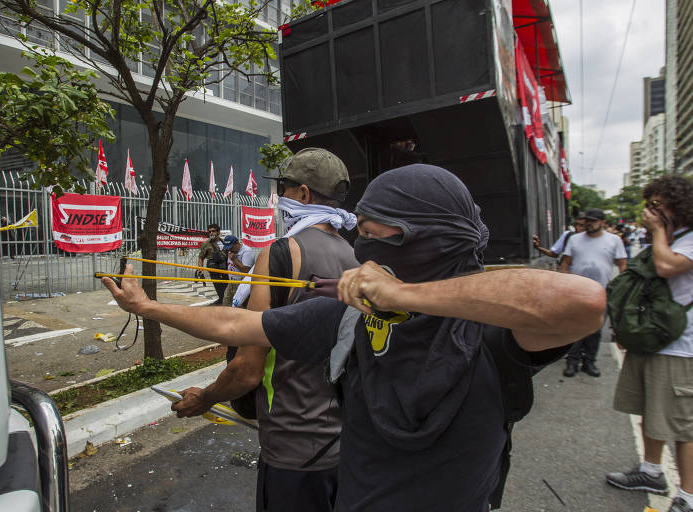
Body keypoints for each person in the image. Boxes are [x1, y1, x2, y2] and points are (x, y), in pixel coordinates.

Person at [103, 164, 605, 511]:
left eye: (378, 232)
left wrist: (406, 293)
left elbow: (582, 303)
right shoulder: (351, 316)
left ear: (430, 233)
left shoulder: (493, 330)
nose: (364, 246)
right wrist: (147, 308)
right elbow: (240, 326)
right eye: (358, 229)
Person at [173, 147, 358, 512]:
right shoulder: (355, 258)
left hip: (293, 451)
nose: (279, 198)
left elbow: (248, 368)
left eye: (285, 188)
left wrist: (206, 397)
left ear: (303, 194)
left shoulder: (280, 253)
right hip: (346, 447)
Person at [606, 175, 693, 512]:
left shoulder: (686, 241)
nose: (650, 212)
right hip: (654, 341)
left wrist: (657, 232)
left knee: (683, 425)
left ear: (679, 206)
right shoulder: (674, 237)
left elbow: (666, 266)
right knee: (649, 413)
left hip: (680, 347)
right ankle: (651, 471)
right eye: (649, 205)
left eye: (658, 206)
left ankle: (687, 496)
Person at [559, 208, 627, 377]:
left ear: (602, 222)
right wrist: (566, 282)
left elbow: (622, 264)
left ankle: (589, 362)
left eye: (593, 221)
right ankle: (572, 362)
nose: (589, 224)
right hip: (576, 292)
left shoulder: (614, 240)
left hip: (601, 293)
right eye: (587, 220)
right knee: (575, 329)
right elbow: (565, 263)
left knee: (595, 329)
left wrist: (618, 286)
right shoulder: (575, 239)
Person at [220, 235, 256, 307]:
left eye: (231, 246)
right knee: (226, 303)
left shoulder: (247, 251)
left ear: (237, 243)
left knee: (238, 305)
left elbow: (246, 270)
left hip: (242, 282)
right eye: (228, 247)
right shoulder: (230, 252)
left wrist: (234, 259)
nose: (229, 249)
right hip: (232, 281)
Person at [197, 223, 228, 304]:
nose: (211, 233)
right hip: (213, 266)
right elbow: (201, 257)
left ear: (218, 232)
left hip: (224, 266)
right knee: (217, 284)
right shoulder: (206, 244)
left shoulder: (224, 242)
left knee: (226, 283)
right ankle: (221, 299)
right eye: (209, 231)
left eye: (213, 231)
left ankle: (225, 299)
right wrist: (200, 269)